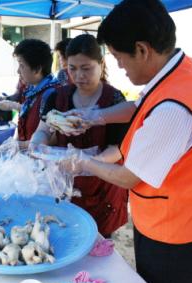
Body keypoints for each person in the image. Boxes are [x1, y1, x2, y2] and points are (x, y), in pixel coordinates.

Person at [62, 1, 192, 283]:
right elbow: (140, 105)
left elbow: (128, 176)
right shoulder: (183, 70)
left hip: (171, 229)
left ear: (142, 50)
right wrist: (95, 117)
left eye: (118, 58)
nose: (118, 67)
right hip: (184, 212)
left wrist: (81, 161)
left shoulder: (174, 110)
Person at [30, 34, 128, 237]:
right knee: (65, 233)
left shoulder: (115, 99)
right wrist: (38, 145)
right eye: (72, 68)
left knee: (98, 240)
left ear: (101, 64)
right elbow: (43, 130)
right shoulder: (56, 97)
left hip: (102, 186)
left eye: (86, 68)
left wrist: (86, 163)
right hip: (64, 184)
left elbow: (117, 149)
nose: (79, 75)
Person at [0, 39, 60, 145]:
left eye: (22, 65)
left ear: (37, 69)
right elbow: (32, 113)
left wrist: (18, 146)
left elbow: (52, 140)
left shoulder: (53, 94)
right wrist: (13, 106)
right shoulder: (32, 90)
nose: (18, 71)